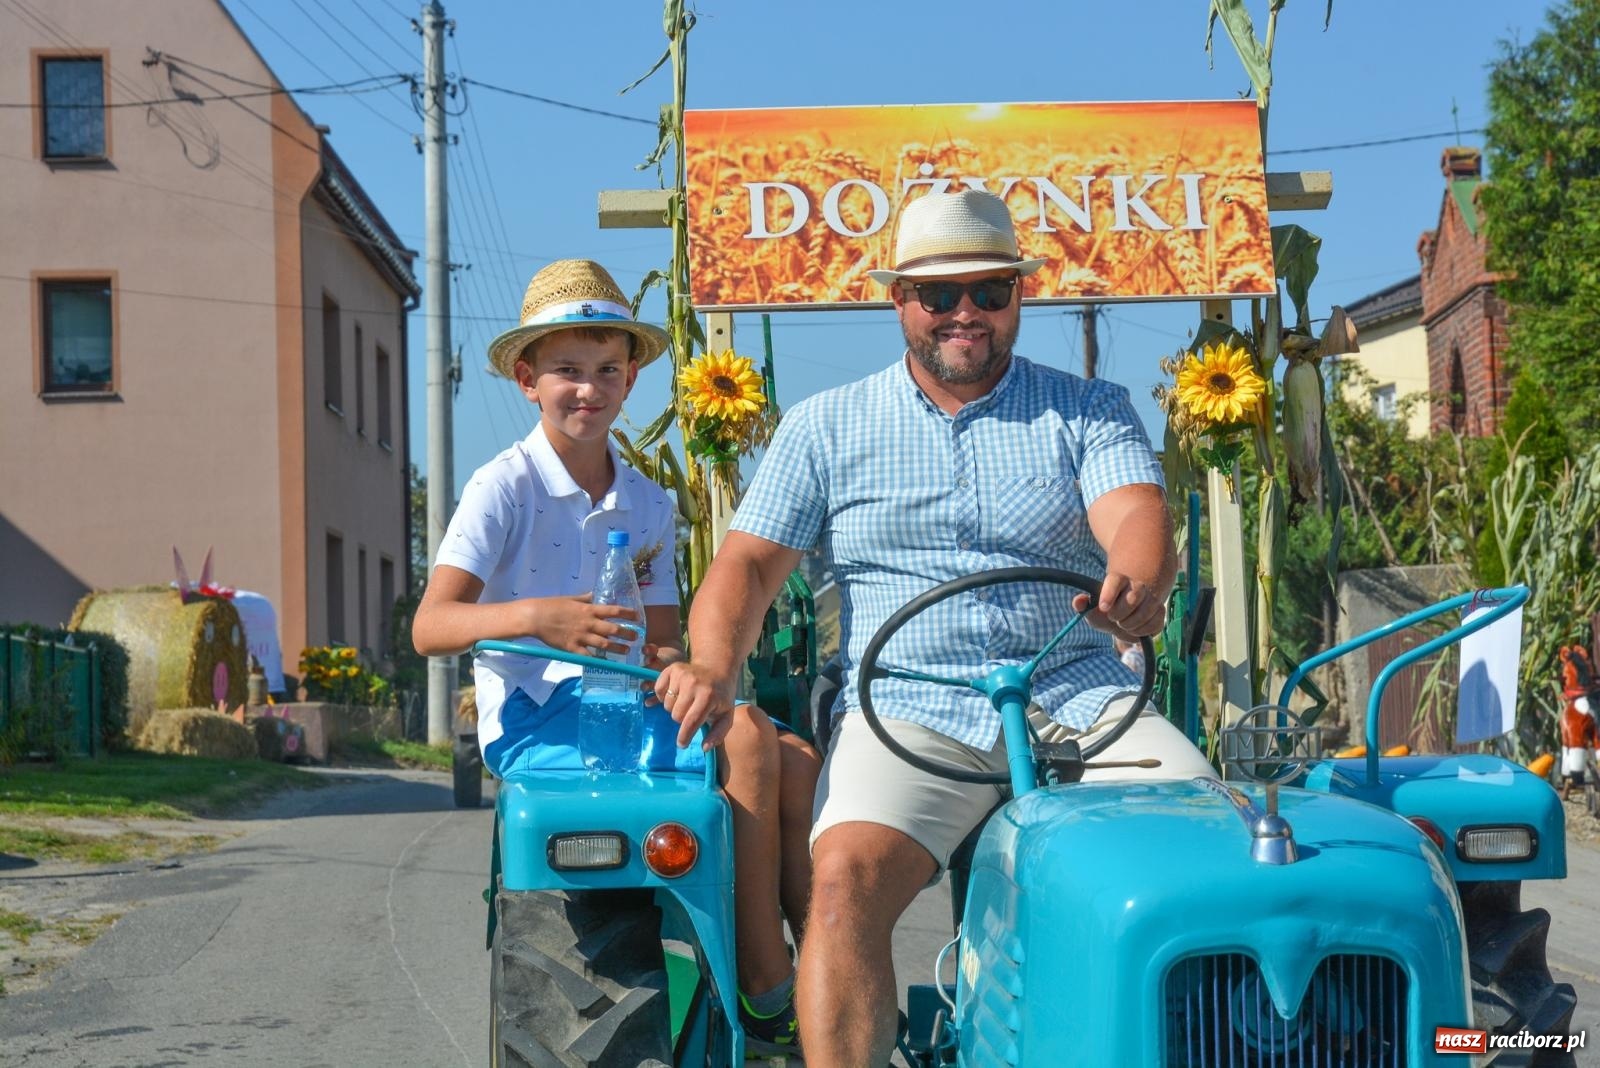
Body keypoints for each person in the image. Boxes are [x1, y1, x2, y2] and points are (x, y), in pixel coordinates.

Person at [655, 190, 1217, 1065]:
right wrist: (715, 666)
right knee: (842, 885)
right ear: (898, 301)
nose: (965, 314)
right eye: (939, 295)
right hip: (909, 710)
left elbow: (1137, 518)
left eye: (989, 293)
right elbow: (746, 569)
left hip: (1080, 700)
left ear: (1019, 296)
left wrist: (1138, 588)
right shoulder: (823, 427)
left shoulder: (1090, 410)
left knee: (1198, 851)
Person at [410, 259, 817, 1052]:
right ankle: (768, 987)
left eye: (606, 371)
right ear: (528, 380)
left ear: (631, 381)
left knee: (793, 760)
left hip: (627, 703)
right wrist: (537, 619)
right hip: (541, 717)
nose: (587, 390)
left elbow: (661, 634)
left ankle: (823, 972)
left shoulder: (645, 500)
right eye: (567, 370)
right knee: (746, 742)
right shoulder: (504, 488)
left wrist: (679, 665)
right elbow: (432, 625)